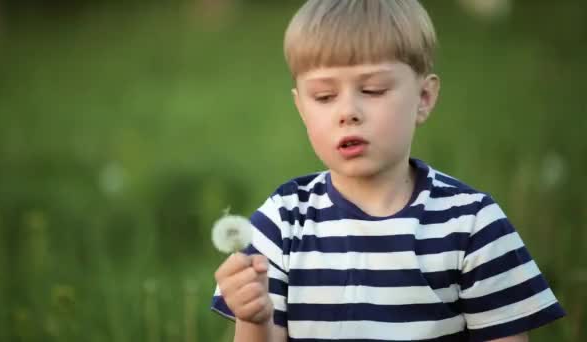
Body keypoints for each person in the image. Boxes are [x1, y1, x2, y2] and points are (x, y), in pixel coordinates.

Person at [210, 1, 566, 341]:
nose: (347, 111)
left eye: (373, 90)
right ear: (301, 108)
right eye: (324, 96)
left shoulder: (472, 224)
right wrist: (253, 318)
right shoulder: (282, 223)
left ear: (423, 99)